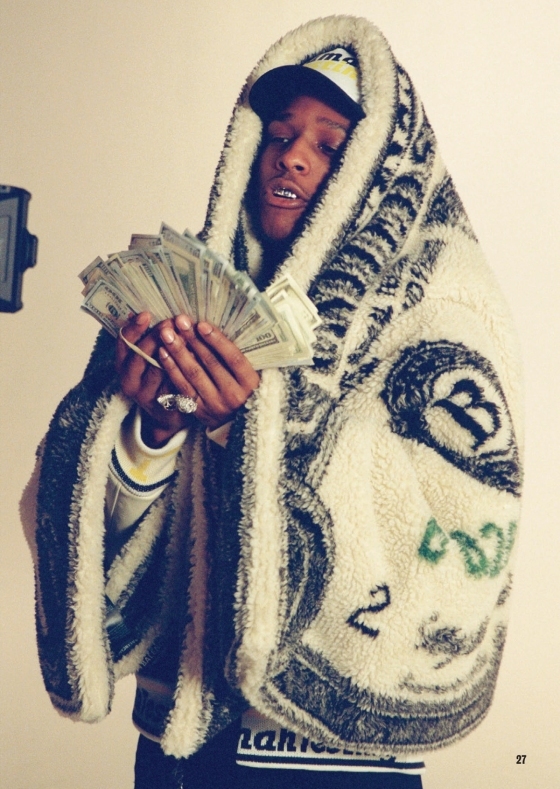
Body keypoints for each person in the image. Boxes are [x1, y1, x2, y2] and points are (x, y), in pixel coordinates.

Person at [21, 15, 523, 789]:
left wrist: (245, 428)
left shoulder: (449, 313)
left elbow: (454, 548)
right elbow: (68, 520)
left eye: (329, 145)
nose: (291, 155)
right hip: (173, 746)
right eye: (280, 135)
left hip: (327, 762)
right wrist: (150, 432)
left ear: (379, 169)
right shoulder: (194, 299)